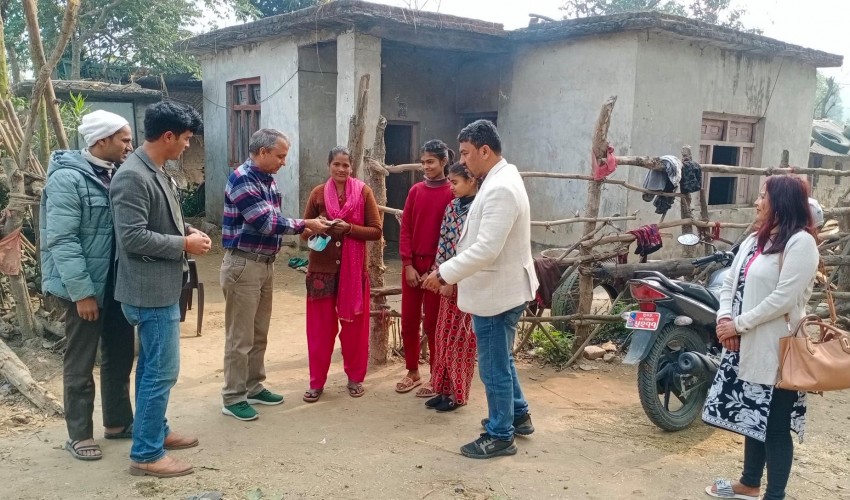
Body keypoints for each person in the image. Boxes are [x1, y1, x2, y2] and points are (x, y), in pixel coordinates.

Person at [422, 120, 538, 459]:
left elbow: (487, 248)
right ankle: (518, 415)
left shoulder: (500, 187)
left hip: (496, 292)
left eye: (466, 153)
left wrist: (444, 274)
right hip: (499, 287)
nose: (463, 160)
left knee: (493, 367)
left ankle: (501, 434)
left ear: (485, 151)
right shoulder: (499, 179)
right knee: (502, 360)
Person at [702, 176, 819, 500]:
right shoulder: (756, 239)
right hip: (747, 344)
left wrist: (738, 324)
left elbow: (784, 298)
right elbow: (729, 283)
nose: (756, 201)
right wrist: (725, 318)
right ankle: (749, 483)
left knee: (776, 426)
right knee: (752, 416)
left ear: (781, 201)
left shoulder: (801, 243)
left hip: (779, 348)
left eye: (763, 195)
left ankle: (774, 495)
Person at [111, 101, 210, 478]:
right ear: (168, 136)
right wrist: (182, 246)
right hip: (147, 291)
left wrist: (187, 231)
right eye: (185, 139)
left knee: (152, 367)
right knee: (160, 370)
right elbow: (133, 237)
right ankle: (147, 454)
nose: (187, 145)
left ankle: (154, 431)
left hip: (160, 286)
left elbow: (166, 218)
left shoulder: (156, 171)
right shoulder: (132, 176)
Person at [40, 110, 136, 461]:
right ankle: (79, 433)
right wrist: (82, 294)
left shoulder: (118, 174)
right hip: (85, 289)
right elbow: (62, 241)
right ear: (101, 141)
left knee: (120, 354)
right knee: (80, 361)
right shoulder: (69, 179)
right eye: (124, 139)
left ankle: (117, 422)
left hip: (117, 285)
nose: (129, 145)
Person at [220, 129, 329, 421]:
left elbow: (275, 221)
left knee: (258, 332)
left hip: (264, 263)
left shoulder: (267, 181)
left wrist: (300, 228)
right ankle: (232, 396)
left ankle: (253, 386)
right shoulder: (242, 178)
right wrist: (305, 223)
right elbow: (264, 221)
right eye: (280, 156)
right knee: (239, 335)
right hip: (243, 264)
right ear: (263, 152)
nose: (283, 162)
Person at [300, 146, 383, 402]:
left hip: (354, 273)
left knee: (354, 330)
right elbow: (303, 231)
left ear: (352, 167)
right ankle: (316, 383)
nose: (341, 169)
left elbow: (376, 231)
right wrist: (319, 226)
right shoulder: (317, 194)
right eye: (337, 164)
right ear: (329, 165)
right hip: (320, 273)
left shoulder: (363, 192)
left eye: (346, 165)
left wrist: (348, 229)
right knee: (319, 331)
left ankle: (355, 379)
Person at [396, 140, 455, 397]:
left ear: (444, 162)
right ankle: (412, 371)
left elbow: (453, 234)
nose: (426, 166)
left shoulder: (452, 193)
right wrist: (407, 264)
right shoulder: (415, 191)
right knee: (408, 321)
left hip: (437, 269)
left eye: (431, 161)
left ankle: (436, 374)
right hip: (413, 265)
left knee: (433, 324)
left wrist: (437, 268)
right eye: (423, 162)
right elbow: (406, 227)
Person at [424, 162, 479, 413]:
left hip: (468, 282)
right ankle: (442, 388)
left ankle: (457, 394)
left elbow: (473, 251)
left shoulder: (480, 210)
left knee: (461, 341)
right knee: (443, 336)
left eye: (455, 182)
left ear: (471, 180)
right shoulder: (452, 207)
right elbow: (444, 244)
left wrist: (453, 278)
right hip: (448, 281)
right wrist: (440, 276)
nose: (451, 187)